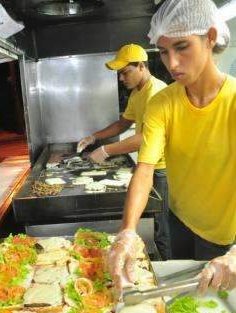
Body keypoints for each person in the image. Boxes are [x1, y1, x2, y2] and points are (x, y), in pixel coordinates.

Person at [108, 0, 236, 294]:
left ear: (211, 37)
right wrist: (127, 231)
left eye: (182, 47)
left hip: (223, 236)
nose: (172, 64)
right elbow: (145, 169)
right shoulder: (162, 104)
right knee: (178, 301)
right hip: (179, 220)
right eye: (164, 52)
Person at [77, 44, 172, 260]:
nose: (121, 78)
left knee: (160, 224)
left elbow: (145, 138)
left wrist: (105, 150)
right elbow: (122, 124)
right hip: (147, 165)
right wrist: (94, 137)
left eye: (125, 72)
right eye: (119, 74)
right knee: (148, 219)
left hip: (162, 169)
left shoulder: (156, 92)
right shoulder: (137, 93)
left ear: (141, 66)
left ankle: (163, 265)